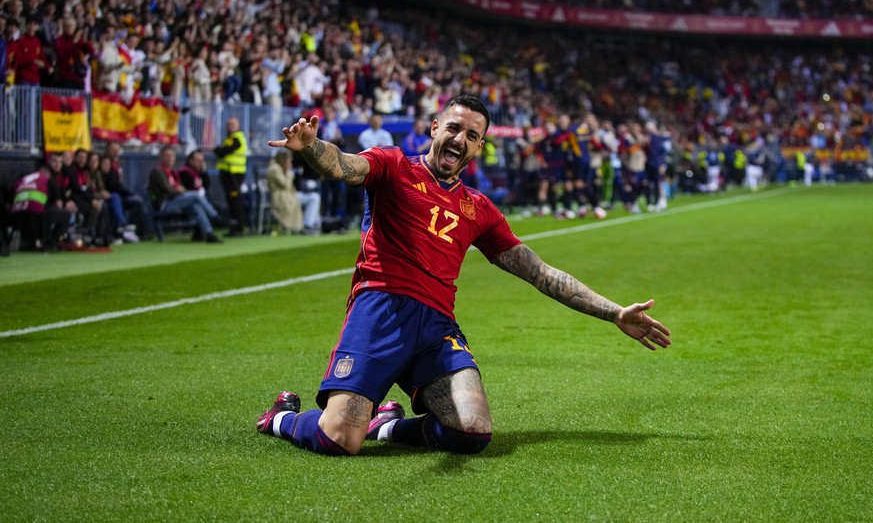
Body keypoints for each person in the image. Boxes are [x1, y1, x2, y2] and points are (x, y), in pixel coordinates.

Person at [256, 94, 671, 457]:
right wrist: (311, 148)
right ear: (436, 128)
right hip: (381, 307)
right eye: (454, 128)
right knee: (341, 438)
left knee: (472, 432)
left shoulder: (480, 209)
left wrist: (614, 313)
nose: (460, 139)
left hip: (436, 327)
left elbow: (540, 273)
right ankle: (283, 418)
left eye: (472, 135)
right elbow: (344, 167)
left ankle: (387, 426)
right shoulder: (394, 165)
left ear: (479, 146)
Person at [147, 146, 223, 243]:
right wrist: (179, 190)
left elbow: (185, 187)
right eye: (167, 156)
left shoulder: (173, 171)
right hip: (163, 203)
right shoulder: (158, 171)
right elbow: (168, 190)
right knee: (195, 195)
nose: (170, 158)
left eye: (172, 156)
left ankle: (209, 234)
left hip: (174, 200)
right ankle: (215, 216)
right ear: (161, 158)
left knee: (195, 205)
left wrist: (180, 190)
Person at [214, 117, 248, 237]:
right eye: (228, 124)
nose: (229, 127)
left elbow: (221, 152)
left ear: (238, 126)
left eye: (232, 124)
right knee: (231, 200)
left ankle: (238, 226)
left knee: (235, 200)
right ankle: (235, 226)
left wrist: (220, 150)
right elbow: (218, 150)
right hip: (227, 174)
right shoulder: (229, 139)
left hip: (234, 174)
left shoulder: (237, 139)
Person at [265, 152, 303, 234]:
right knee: (312, 198)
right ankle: (304, 226)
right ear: (283, 160)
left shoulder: (279, 168)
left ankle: (306, 225)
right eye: (289, 162)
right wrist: (289, 173)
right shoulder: (274, 169)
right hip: (279, 197)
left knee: (314, 197)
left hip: (287, 195)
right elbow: (285, 184)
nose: (290, 164)